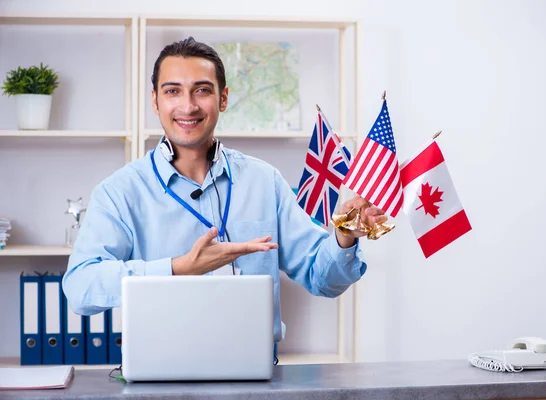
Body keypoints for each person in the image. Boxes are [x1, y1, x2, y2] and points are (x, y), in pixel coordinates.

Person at [62, 37, 389, 348]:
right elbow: (80, 287)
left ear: (223, 98)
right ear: (155, 101)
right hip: (159, 372)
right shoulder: (119, 192)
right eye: (173, 91)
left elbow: (323, 279)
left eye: (201, 90)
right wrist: (178, 268)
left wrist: (345, 237)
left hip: (256, 374)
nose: (187, 106)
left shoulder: (264, 181)